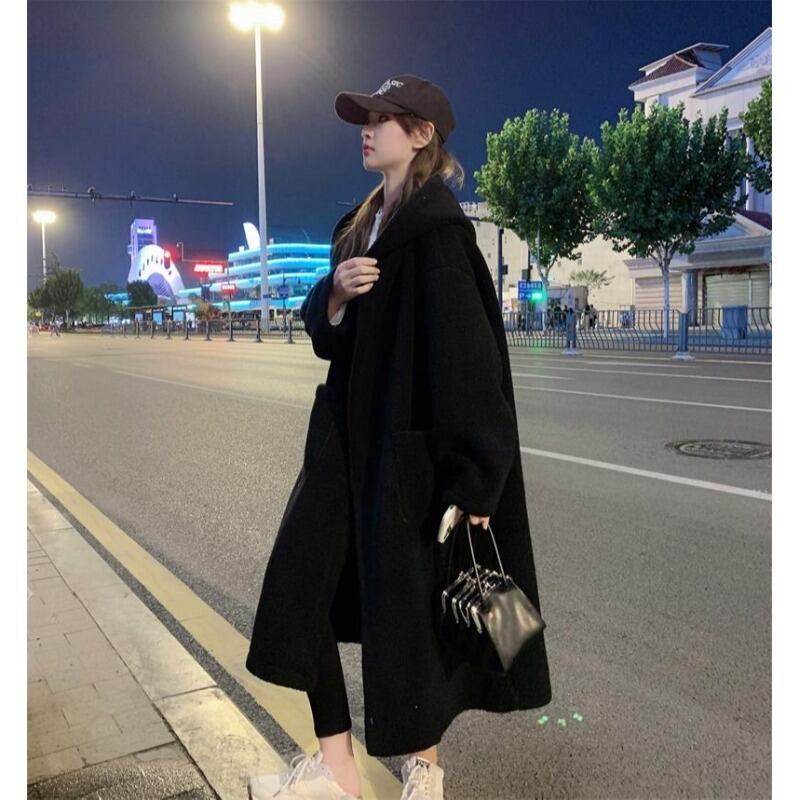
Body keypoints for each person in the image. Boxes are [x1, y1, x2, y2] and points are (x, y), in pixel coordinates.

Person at [246, 74, 551, 800]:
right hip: (342, 451)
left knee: (408, 618)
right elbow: (329, 338)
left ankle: (424, 772)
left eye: (383, 118)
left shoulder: (439, 236)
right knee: (300, 596)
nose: (367, 128)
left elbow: (471, 364)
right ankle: (337, 769)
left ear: (420, 136)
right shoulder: (358, 228)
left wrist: (477, 479)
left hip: (406, 460)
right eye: (365, 117)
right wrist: (333, 295)